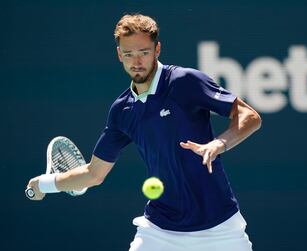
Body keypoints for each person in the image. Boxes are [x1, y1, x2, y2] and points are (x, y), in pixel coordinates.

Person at [26, 13, 261, 251]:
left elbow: (249, 116)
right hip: (159, 231)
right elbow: (93, 173)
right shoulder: (123, 110)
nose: (136, 61)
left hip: (219, 227)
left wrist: (218, 144)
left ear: (157, 49)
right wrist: (43, 184)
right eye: (128, 54)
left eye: (144, 52)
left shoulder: (184, 82)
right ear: (119, 55)